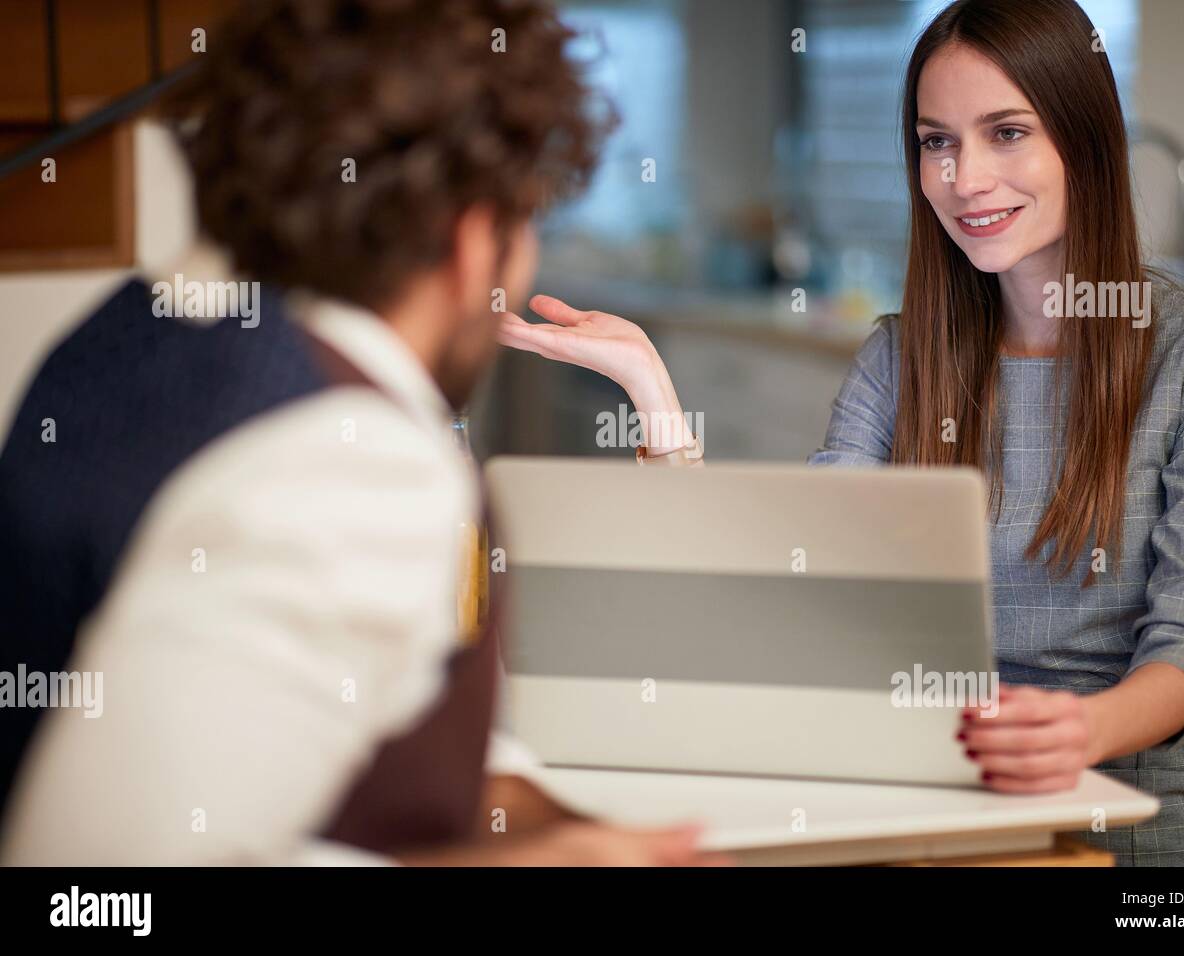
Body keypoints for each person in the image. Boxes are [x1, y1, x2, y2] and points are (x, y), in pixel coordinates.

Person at [497, 0, 1184, 866]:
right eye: (936, 141)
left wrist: (1077, 729)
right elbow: (796, 596)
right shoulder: (900, 356)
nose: (965, 177)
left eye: (1006, 133)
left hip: (1142, 808)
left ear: (1084, 141)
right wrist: (652, 389)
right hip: (927, 798)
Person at [0, 0, 717, 867]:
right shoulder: (352, 461)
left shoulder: (118, 340)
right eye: (524, 222)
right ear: (471, 238)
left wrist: (542, 816)